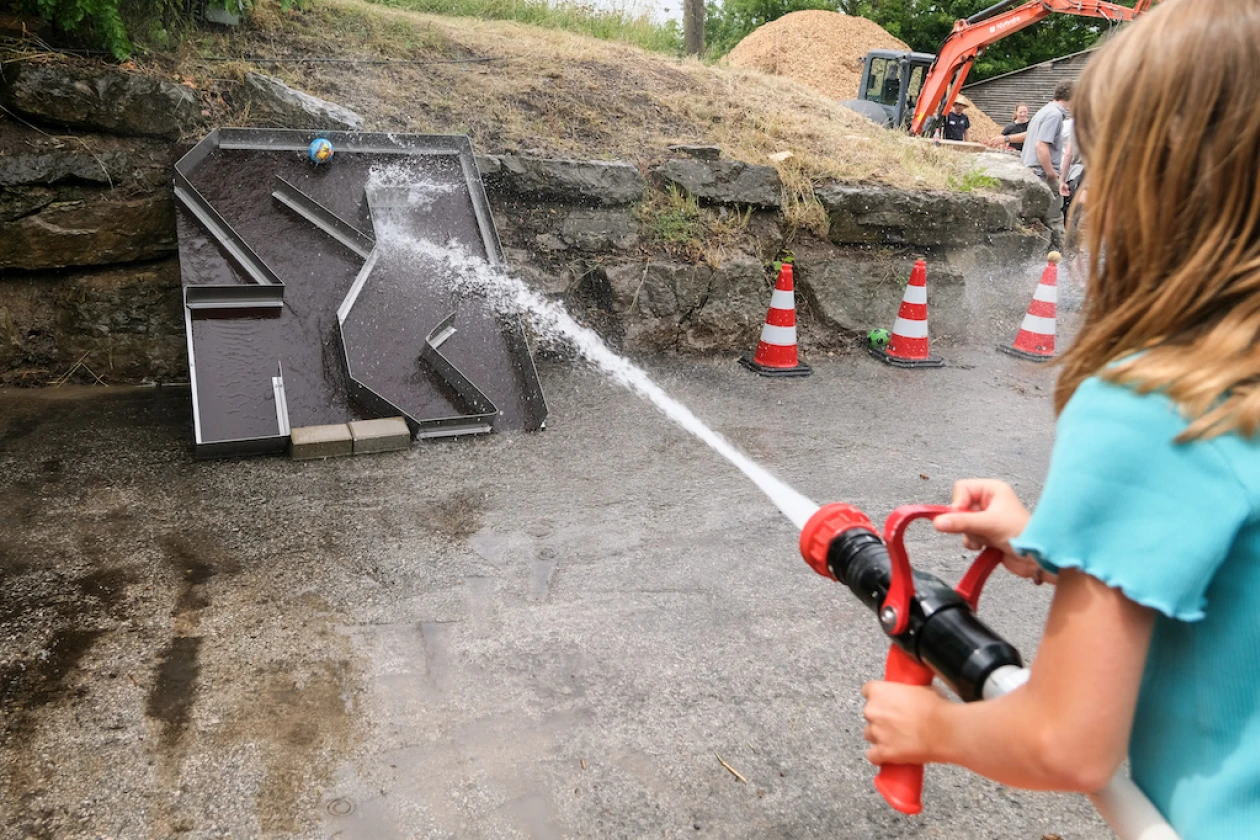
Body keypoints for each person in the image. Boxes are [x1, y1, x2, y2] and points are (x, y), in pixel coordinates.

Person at [860, 2, 1260, 839]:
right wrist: (1049, 542)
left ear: (1154, 181)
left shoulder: (1157, 401)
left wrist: (930, 729)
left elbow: (1066, 741)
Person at [1021, 81, 1074, 246]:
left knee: (1034, 223)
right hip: (1043, 174)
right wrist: (1052, 174)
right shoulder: (1055, 115)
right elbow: (1041, 145)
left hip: (1031, 171)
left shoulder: (1043, 111)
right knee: (1055, 222)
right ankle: (1061, 265)